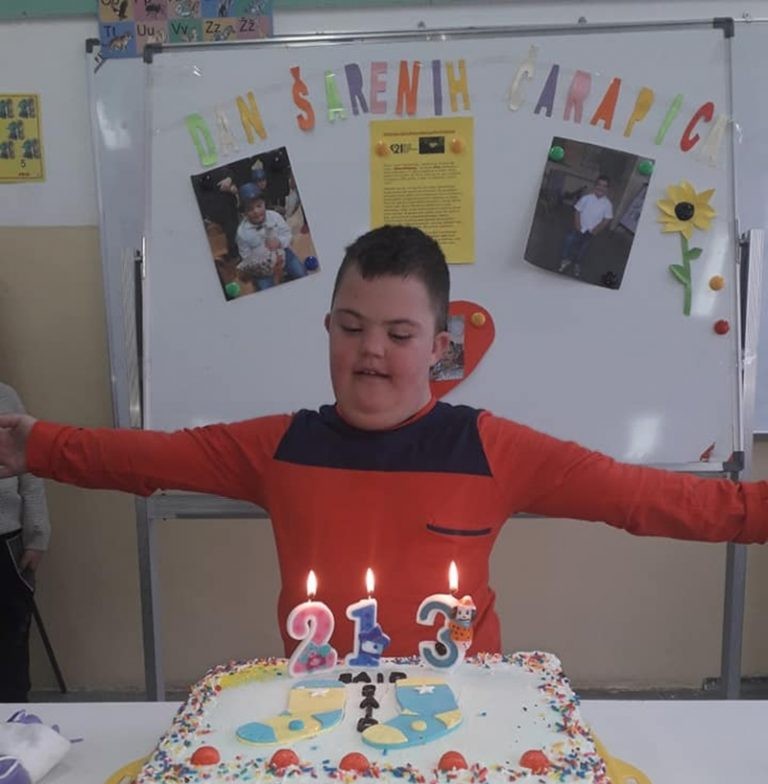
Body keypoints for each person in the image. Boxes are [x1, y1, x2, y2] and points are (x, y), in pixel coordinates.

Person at [0, 226, 766, 660]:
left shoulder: (494, 450)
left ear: (439, 348)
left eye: (399, 334)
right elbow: (141, 459)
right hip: (322, 725)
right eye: (352, 327)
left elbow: (647, 499)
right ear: (328, 329)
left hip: (468, 725)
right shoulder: (278, 447)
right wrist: (33, 445)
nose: (371, 350)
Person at [0, 382, 50, 703]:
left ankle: (13, 713)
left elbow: (30, 473)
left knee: (11, 635)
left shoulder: (4, 396)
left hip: (6, 542)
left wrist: (37, 535)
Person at [235, 191, 307, 290]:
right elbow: (246, 256)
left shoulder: (275, 216)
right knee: (265, 289)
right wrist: (261, 261)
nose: (256, 211)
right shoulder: (242, 232)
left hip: (283, 253)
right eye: (250, 209)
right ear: (245, 213)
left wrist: (279, 242)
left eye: (259, 206)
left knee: (301, 274)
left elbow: (287, 234)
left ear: (264, 204)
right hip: (262, 265)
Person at [558, 174, 613, 278]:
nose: (601, 188)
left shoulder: (607, 204)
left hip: (591, 231)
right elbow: (577, 211)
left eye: (604, 186)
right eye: (599, 185)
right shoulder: (586, 198)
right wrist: (577, 224)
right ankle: (565, 259)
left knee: (583, 248)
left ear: (607, 189)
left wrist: (596, 230)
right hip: (579, 227)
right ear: (595, 185)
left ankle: (577, 263)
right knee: (569, 241)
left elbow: (607, 219)